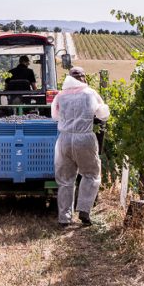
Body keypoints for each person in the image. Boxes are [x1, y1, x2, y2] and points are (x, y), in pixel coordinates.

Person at [51, 66, 110, 227]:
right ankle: (84, 209)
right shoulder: (90, 93)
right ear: (83, 78)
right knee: (91, 174)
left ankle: (64, 217)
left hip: (64, 139)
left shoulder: (60, 95)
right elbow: (103, 114)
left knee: (65, 180)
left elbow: (55, 116)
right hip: (84, 137)